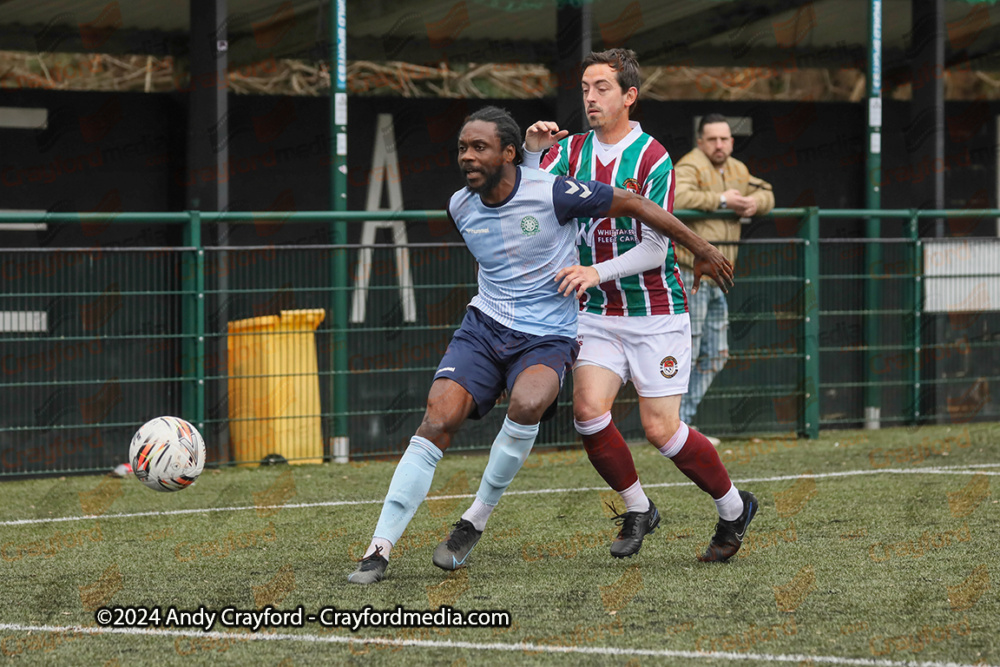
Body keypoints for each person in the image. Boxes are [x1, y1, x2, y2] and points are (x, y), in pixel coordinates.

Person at [348, 105, 734, 584]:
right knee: (438, 417)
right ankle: (378, 549)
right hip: (484, 327)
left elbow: (634, 206)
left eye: (479, 147)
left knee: (532, 403)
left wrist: (702, 247)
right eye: (462, 149)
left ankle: (474, 520)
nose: (467, 157)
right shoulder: (459, 206)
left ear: (508, 153)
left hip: (550, 335)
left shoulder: (555, 192)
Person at [518, 49, 758, 562]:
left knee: (660, 430)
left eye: (601, 87)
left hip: (655, 311)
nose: (590, 97)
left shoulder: (653, 158)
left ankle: (735, 508)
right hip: (596, 313)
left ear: (629, 95)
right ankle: (638, 508)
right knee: (587, 412)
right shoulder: (571, 150)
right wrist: (534, 153)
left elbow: (655, 247)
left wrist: (593, 271)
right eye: (585, 87)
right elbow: (529, 199)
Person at [674, 114, 775, 439]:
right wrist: (721, 200)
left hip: (719, 277)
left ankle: (681, 422)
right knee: (686, 353)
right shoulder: (690, 165)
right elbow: (674, 197)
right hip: (692, 275)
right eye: (713, 139)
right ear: (700, 142)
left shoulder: (736, 169)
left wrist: (753, 203)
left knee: (717, 353)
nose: (719, 145)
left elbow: (767, 192)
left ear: (731, 141)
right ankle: (673, 425)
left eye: (725, 139)